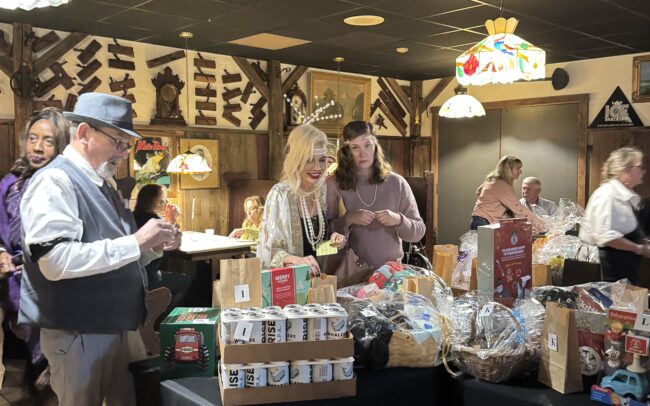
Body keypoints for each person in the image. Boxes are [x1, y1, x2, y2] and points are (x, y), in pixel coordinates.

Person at [18, 93, 182, 406]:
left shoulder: (105, 184)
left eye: (127, 145)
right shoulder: (55, 181)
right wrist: (136, 241)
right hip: (78, 332)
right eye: (118, 142)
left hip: (120, 327)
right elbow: (54, 261)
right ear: (83, 133)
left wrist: (153, 247)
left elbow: (118, 253)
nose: (124, 153)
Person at [0, 107, 69, 393]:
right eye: (32, 138)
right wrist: (1, 253)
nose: (37, 147)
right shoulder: (10, 184)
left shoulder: (68, 183)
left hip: (55, 282)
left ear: (61, 145)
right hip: (14, 282)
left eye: (48, 141)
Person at [326, 121, 425, 269]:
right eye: (355, 147)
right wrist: (349, 218)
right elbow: (324, 238)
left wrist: (398, 220)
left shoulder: (396, 182)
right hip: (351, 271)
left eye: (367, 145)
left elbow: (418, 233)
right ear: (346, 151)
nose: (363, 153)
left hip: (391, 272)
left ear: (375, 146)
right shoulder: (333, 183)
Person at [257, 125, 346, 276]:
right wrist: (297, 261)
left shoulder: (321, 190)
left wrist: (333, 243)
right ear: (296, 160)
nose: (317, 167)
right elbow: (267, 252)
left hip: (317, 282)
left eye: (322, 160)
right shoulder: (280, 194)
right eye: (309, 160)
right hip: (288, 284)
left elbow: (314, 245)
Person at [580, 147, 650, 283]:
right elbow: (607, 237)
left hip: (624, 275)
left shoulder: (627, 197)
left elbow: (626, 231)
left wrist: (644, 243)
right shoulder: (608, 195)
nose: (644, 171)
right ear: (625, 170)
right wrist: (640, 249)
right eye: (640, 167)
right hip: (608, 277)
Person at [133, 184, 190, 310]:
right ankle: (164, 315)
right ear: (157, 202)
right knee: (186, 280)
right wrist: (172, 219)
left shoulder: (131, 217)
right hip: (148, 276)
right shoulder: (155, 222)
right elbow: (168, 247)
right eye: (163, 199)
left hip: (132, 276)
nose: (166, 201)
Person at [470, 155, 544, 231]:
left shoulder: (493, 181)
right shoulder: (501, 185)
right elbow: (519, 209)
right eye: (518, 169)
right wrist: (540, 223)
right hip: (483, 221)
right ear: (508, 170)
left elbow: (478, 191)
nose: (520, 171)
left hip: (479, 220)